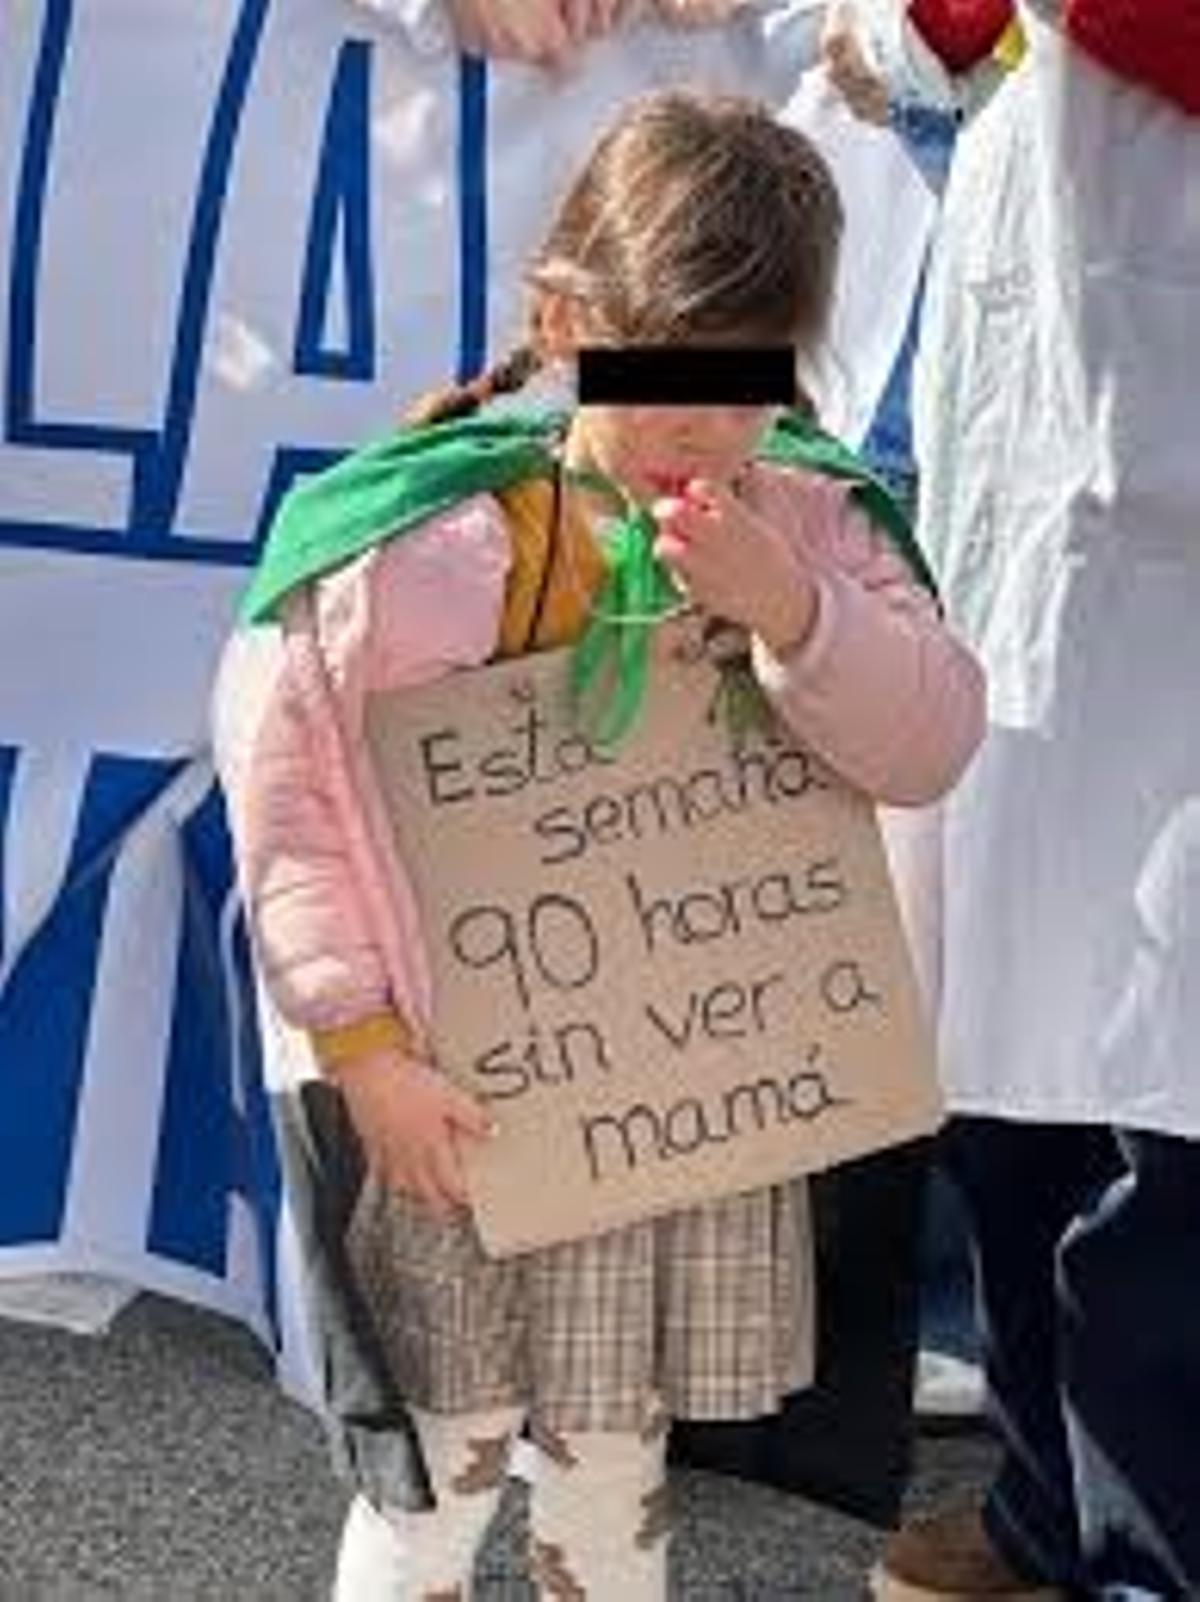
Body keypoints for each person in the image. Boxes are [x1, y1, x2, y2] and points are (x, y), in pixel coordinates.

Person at [214, 90, 984, 1598]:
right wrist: (365, 1050)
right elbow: (293, 799)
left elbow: (930, 736)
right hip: (450, 1099)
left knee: (619, 1444)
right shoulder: (421, 541)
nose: (706, 423)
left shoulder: (814, 520)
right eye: (669, 375)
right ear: (570, 321)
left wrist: (794, 613)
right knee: (444, 1462)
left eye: (747, 382)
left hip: (665, 1099)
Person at [823, 4, 1200, 1598]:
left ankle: (1147, 1552)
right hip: (1037, 415)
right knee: (1011, 1034)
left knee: (1166, 1085)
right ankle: (1053, 1503)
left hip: (1159, 460)